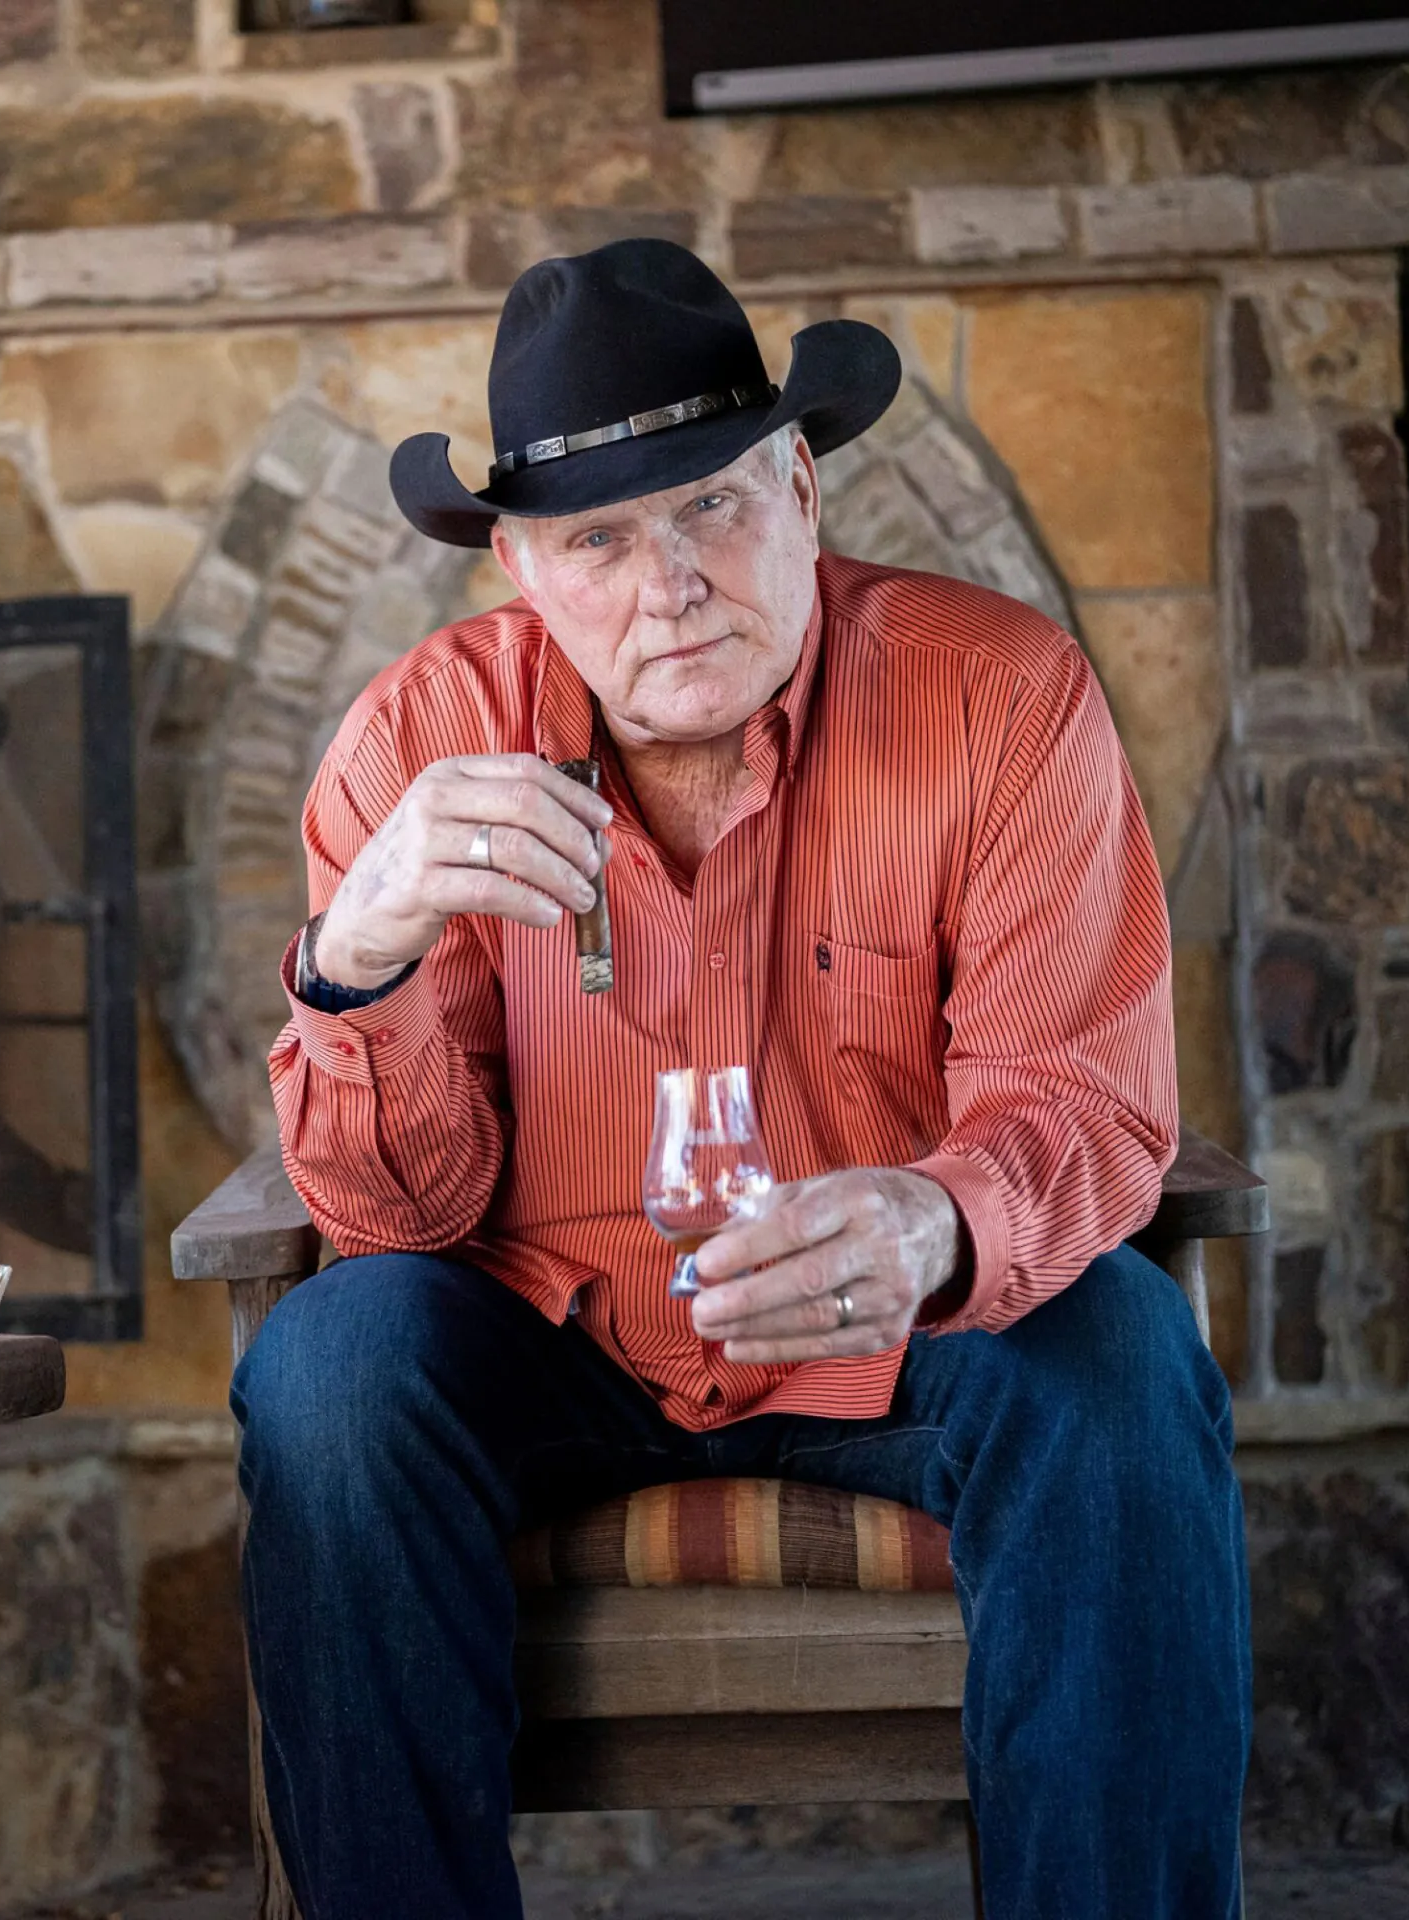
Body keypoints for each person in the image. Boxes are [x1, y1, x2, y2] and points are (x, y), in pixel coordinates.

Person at [235, 238, 1247, 1919]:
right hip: (552, 1337)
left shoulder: (1000, 701)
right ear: (521, 568)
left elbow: (1081, 1101)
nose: (670, 582)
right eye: (598, 539)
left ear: (799, 485)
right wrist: (366, 957)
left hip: (897, 1336)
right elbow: (393, 1212)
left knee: (1125, 1356)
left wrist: (933, 1222)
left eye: (711, 503)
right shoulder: (418, 749)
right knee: (333, 1372)